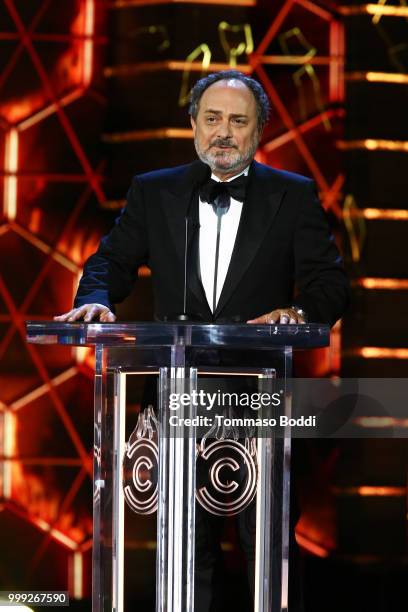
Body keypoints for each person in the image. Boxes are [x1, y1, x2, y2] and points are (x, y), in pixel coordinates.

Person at [55, 71, 349, 610]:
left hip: (261, 401)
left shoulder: (293, 195)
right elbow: (110, 262)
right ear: (193, 125)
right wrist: (97, 298)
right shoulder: (155, 191)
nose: (224, 133)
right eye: (212, 119)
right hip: (177, 401)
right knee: (188, 553)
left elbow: (331, 285)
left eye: (238, 121)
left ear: (259, 131)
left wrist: (298, 311)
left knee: (269, 548)